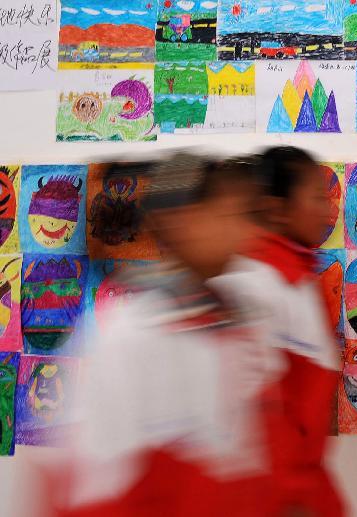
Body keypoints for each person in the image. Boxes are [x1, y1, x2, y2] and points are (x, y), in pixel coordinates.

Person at [45, 154, 286, 517]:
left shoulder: (238, 317)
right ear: (182, 221)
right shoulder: (134, 332)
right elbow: (97, 486)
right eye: (228, 214)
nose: (246, 232)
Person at [213, 146, 345, 517]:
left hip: (304, 491)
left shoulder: (299, 278)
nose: (326, 210)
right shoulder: (251, 285)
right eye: (316, 198)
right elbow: (251, 419)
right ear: (276, 208)